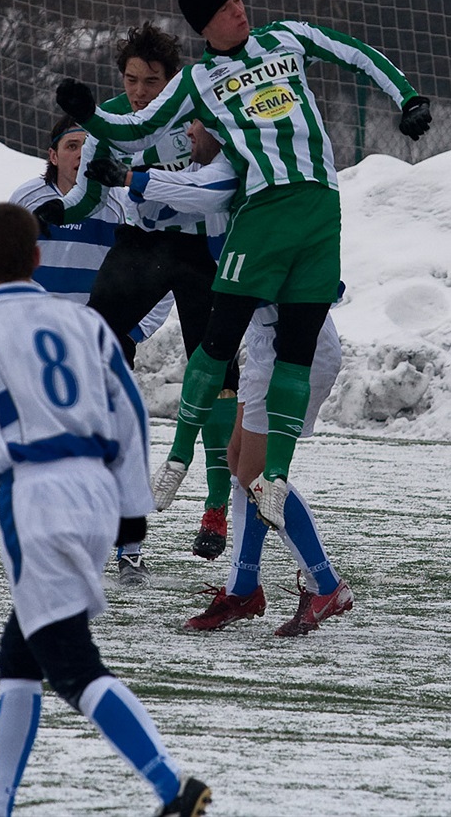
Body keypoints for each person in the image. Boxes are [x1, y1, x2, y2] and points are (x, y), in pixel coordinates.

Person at [55, 0, 432, 531]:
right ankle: (173, 465)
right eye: (226, 6)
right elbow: (137, 137)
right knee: (211, 347)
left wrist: (407, 95)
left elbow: (351, 51)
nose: (239, 10)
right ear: (204, 24)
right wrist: (93, 130)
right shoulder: (198, 84)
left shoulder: (285, 39)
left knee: (290, 364)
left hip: (309, 216)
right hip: (236, 228)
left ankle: (259, 490)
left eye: (238, 0)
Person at [0, 203, 211, 817]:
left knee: (72, 663)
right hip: (96, 493)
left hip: (37, 494)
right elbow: (129, 412)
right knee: (19, 659)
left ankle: (173, 787)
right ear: (38, 258)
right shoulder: (84, 325)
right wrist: (132, 509)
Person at [94, 120, 353, 635]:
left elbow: (201, 188)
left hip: (293, 348)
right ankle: (243, 589)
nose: (188, 131)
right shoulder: (220, 188)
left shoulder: (240, 181)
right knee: (241, 464)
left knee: (256, 473)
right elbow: (185, 194)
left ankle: (325, 586)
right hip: (262, 345)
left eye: (197, 121)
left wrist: (130, 176)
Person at [40, 23, 241, 566]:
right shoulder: (108, 118)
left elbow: (227, 179)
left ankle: (216, 506)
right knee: (92, 345)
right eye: (131, 80)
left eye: (151, 81)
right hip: (143, 245)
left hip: (203, 252)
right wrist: (61, 209)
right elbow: (86, 195)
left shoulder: (201, 111)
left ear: (170, 78)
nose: (139, 92)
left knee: (219, 379)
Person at [10, 114, 171, 584]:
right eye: (72, 144)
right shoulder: (27, 201)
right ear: (53, 154)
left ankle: (130, 553)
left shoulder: (120, 206)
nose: (80, 153)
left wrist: (130, 332)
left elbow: (157, 280)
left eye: (88, 145)